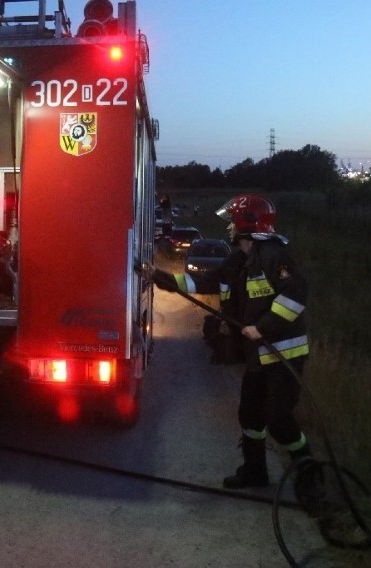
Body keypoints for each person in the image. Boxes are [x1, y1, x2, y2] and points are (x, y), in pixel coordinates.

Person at [152, 193, 321, 510]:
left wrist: (263, 328)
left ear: (247, 225)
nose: (229, 227)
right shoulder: (238, 260)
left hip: (283, 355)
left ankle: (311, 481)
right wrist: (165, 280)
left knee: (279, 419)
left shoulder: (275, 257)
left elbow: (296, 296)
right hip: (258, 357)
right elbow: (207, 280)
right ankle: (255, 471)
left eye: (233, 221)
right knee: (249, 416)